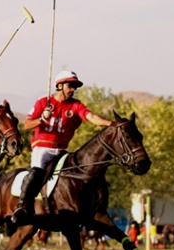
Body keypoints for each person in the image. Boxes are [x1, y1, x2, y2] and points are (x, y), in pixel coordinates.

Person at [12, 70, 113, 223]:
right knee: (36, 172)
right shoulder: (43, 102)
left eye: (75, 86)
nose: (73, 89)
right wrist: (42, 118)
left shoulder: (76, 105)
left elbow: (91, 117)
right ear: (60, 85)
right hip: (43, 148)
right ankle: (21, 207)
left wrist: (112, 125)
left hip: (62, 150)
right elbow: (27, 125)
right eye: (70, 85)